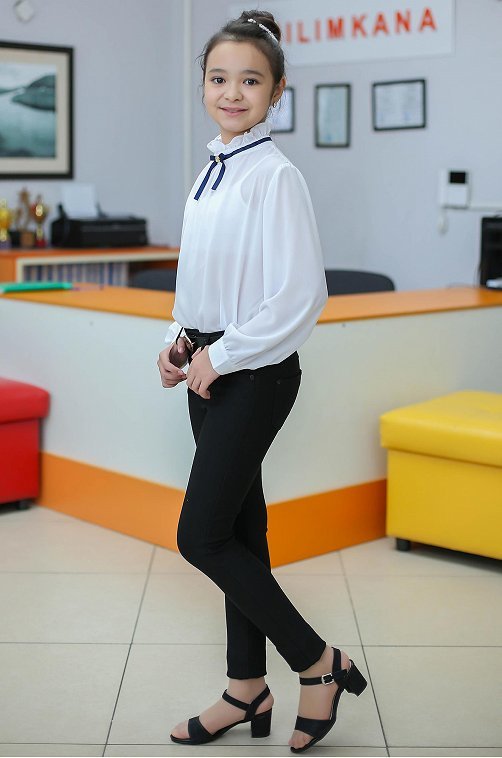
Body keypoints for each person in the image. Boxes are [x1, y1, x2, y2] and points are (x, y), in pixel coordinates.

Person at [157, 10, 367, 753]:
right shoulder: (211, 173)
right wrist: (179, 341)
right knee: (239, 533)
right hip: (209, 368)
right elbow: (202, 281)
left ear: (277, 92)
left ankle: (318, 663)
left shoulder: (275, 175)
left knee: (199, 536)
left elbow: (301, 295)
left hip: (255, 372)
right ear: (202, 85)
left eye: (250, 81)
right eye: (219, 78)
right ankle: (246, 688)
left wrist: (224, 354)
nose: (232, 92)